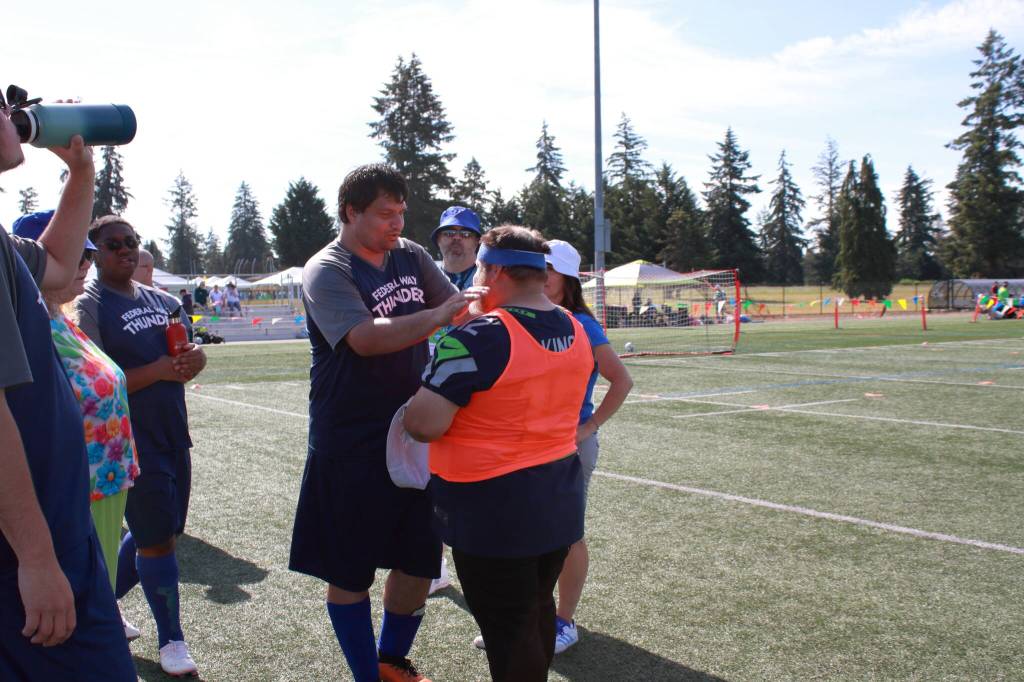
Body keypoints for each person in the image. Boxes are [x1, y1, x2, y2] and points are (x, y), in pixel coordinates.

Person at [288, 164, 481, 682]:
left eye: (401, 212)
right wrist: (440, 317)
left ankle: (391, 661)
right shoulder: (327, 269)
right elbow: (365, 339)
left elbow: (453, 305)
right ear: (351, 212)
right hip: (349, 436)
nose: (397, 224)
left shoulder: (411, 254)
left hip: (415, 428)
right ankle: (365, 676)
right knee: (349, 568)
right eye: (385, 214)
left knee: (420, 560)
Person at [403, 226, 593, 682]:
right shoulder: (577, 326)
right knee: (534, 614)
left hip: (494, 510)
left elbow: (423, 423)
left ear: (496, 271)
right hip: (558, 499)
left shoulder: (480, 336)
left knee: (509, 632)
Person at [0, 100, 136, 679]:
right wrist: (34, 555)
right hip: (23, 548)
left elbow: (57, 267)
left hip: (56, 529)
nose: (11, 114)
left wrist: (82, 173)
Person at [73, 215, 207, 677]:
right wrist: (160, 371)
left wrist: (196, 359)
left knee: (165, 533)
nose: (127, 250)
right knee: (156, 543)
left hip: (172, 432)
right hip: (126, 441)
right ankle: (172, 640)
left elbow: (188, 356)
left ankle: (99, 604)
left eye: (132, 242)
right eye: (114, 244)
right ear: (94, 254)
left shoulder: (165, 300)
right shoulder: (88, 305)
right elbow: (96, 380)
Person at [12, 210, 143, 638]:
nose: (84, 265)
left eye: (88, 256)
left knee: (96, 593)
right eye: (76, 256)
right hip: (68, 491)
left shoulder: (63, 320)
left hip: (105, 480)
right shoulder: (24, 327)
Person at [540, 239, 633, 653]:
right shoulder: (526, 318)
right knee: (528, 535)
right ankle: (530, 620)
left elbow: (622, 380)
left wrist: (588, 426)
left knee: (567, 535)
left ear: (567, 280)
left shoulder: (581, 324)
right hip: (530, 446)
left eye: (547, 271)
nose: (538, 278)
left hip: (568, 447)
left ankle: (564, 622)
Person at [427, 204, 483, 593]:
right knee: (428, 481)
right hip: (431, 387)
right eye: (449, 233)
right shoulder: (425, 275)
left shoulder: (489, 278)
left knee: (471, 488)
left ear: (478, 241)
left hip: (476, 393)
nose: (456, 239)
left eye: (464, 233)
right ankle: (435, 566)